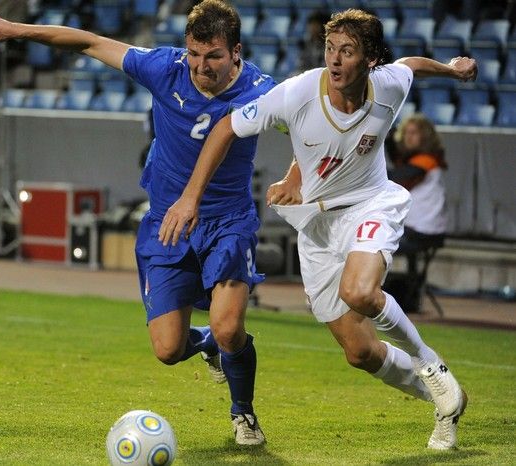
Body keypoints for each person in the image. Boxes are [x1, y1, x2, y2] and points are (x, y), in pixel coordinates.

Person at [158, 9, 477, 450]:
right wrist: (193, 196)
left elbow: (411, 66)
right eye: (331, 48)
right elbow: (226, 127)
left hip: (371, 204)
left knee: (360, 292)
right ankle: (446, 401)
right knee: (360, 353)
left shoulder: (387, 87)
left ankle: (430, 364)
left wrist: (453, 70)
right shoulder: (298, 93)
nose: (335, 60)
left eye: (347, 51)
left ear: (370, 60)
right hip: (317, 226)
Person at [0, 0, 275, 446]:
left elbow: (310, 123)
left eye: (213, 56)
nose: (200, 66)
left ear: (236, 52)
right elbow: (89, 41)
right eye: (194, 54)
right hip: (166, 223)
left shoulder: (262, 89)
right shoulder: (164, 68)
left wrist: (297, 175)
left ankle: (243, 413)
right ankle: (208, 344)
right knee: (168, 350)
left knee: (231, 327)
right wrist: (16, 29)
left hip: (227, 221)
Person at [388, 113, 448, 311]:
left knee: (371, 243)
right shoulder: (415, 159)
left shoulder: (427, 159)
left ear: (425, 136)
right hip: (417, 228)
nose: (408, 137)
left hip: (423, 230)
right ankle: (403, 297)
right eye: (406, 133)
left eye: (414, 133)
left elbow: (398, 176)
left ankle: (382, 297)